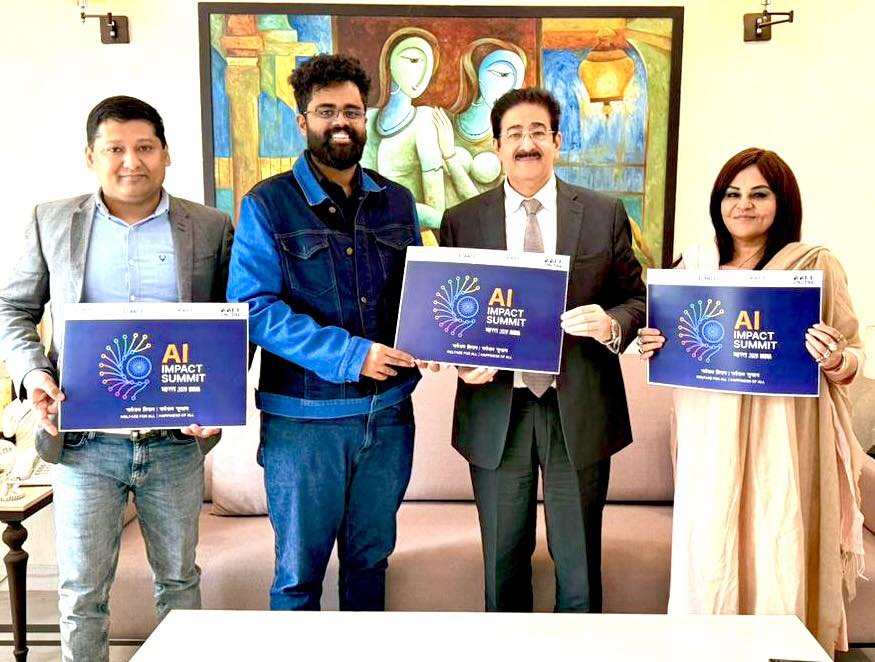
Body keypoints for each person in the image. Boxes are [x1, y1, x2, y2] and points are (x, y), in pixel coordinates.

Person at [0, 95, 234, 662]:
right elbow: (13, 308)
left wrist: (218, 399)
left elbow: (233, 321)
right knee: (82, 594)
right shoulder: (52, 220)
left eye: (145, 147)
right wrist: (33, 373)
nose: (132, 161)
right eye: (115, 149)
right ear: (91, 156)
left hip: (175, 443)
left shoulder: (210, 226)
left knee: (179, 583)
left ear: (166, 154)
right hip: (84, 443)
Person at [637, 147, 866, 656]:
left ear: (782, 202)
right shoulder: (693, 265)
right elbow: (667, 341)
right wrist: (651, 343)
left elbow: (853, 354)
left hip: (781, 436)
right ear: (718, 202)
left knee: (774, 537)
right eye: (732, 194)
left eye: (759, 194)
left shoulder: (814, 265)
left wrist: (834, 358)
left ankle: (781, 650)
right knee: (710, 546)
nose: (743, 205)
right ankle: (708, 650)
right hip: (709, 436)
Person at [439, 87, 645, 612]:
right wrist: (461, 360)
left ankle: (577, 649)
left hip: (578, 408)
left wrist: (611, 324)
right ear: (496, 145)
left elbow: (637, 299)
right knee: (502, 564)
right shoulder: (462, 220)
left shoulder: (603, 213)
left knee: (579, 568)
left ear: (557, 140)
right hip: (496, 410)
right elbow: (448, 310)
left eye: (537, 132)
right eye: (514, 134)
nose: (526, 144)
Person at [227, 54, 421, 611]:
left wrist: (437, 339)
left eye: (352, 112)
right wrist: (350, 355)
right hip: (303, 424)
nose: (341, 122)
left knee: (370, 566)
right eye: (327, 110)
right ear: (303, 120)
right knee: (297, 578)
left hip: (388, 417)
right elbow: (254, 308)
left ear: (366, 118)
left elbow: (418, 296)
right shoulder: (267, 204)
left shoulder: (396, 201)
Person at [361, 27, 448, 239]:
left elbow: (438, 215)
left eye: (429, 67)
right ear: (389, 62)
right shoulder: (366, 119)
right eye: (413, 60)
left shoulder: (424, 121)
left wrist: (385, 211)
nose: (423, 75)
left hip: (412, 241)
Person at [441, 38, 527, 204]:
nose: (511, 87)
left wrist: (449, 156)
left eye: (517, 80)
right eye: (502, 75)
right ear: (476, 73)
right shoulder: (442, 121)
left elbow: (505, 202)